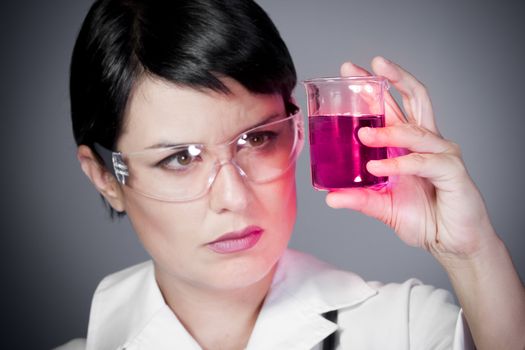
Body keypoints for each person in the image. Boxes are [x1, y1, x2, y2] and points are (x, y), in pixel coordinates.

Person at [57, 0, 525, 349]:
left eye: (257, 139)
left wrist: (471, 255)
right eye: (180, 158)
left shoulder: (405, 329)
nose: (233, 197)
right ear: (103, 177)